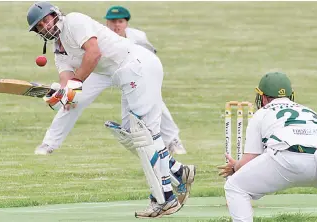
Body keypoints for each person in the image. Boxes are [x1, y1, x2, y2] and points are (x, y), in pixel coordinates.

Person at [26, 2, 194, 218]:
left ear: (55, 15)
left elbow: (93, 54)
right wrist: (61, 94)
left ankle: (165, 199)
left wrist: (74, 84)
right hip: (126, 73)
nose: (44, 26)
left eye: (45, 20)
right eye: (39, 26)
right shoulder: (58, 49)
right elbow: (66, 78)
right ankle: (179, 172)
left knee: (144, 135)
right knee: (136, 134)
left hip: (137, 66)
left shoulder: (75, 21)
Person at [218, 72, 317, 222]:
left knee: (235, 187)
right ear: (291, 95)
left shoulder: (262, 113)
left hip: (288, 157)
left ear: (263, 97)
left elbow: (248, 161)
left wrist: (235, 167)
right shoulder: (309, 111)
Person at [104, 5, 186, 155]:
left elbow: (151, 54)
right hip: (120, 76)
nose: (116, 25)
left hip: (143, 74)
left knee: (156, 103)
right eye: (113, 21)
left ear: (126, 23)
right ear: (106, 23)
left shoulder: (138, 37)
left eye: (120, 21)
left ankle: (172, 141)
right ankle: (133, 135)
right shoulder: (103, 38)